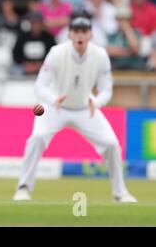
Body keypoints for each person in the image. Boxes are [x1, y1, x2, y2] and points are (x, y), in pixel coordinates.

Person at [13, 16, 138, 203]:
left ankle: (120, 192)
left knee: (112, 144)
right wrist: (53, 99)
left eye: (84, 31)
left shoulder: (100, 55)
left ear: (91, 35)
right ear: (70, 34)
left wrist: (97, 103)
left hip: (85, 108)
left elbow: (106, 89)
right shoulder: (56, 53)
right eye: (76, 31)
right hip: (55, 107)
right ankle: (23, 187)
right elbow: (40, 87)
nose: (80, 35)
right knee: (36, 138)